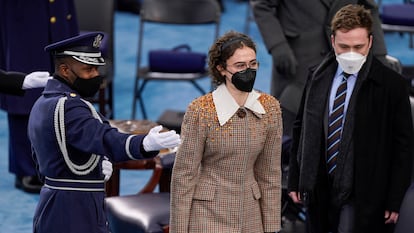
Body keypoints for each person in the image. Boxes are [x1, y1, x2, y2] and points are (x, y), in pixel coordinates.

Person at [27, 32, 181, 233]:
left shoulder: (46, 102)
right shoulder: (68, 107)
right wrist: (144, 144)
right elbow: (102, 138)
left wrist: (95, 164)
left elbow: (49, 155)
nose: (95, 75)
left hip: (59, 202)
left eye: (96, 69)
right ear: (65, 70)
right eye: (88, 69)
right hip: (74, 210)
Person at [287, 4, 413, 233]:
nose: (351, 54)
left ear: (371, 43)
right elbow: (301, 129)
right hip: (320, 187)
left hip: (366, 191)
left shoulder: (392, 85)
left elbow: (403, 146)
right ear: (333, 41)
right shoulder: (317, 76)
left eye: (358, 46)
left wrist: (394, 199)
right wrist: (296, 179)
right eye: (344, 46)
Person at [170, 31, 282, 233]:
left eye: (253, 64)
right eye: (240, 66)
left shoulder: (270, 108)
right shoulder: (201, 111)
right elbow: (184, 176)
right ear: (221, 69)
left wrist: (272, 227)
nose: (248, 71)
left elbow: (270, 174)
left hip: (251, 215)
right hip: (207, 214)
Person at [250, 0, 388, 136]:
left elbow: (369, 9)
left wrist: (379, 55)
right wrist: (277, 45)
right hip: (297, 61)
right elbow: (262, 5)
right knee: (288, 137)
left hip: (345, 61)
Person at [0, 0, 79, 193]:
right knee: (24, 80)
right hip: (23, 15)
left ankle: (58, 162)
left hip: (57, 11)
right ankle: (26, 167)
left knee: (64, 77)